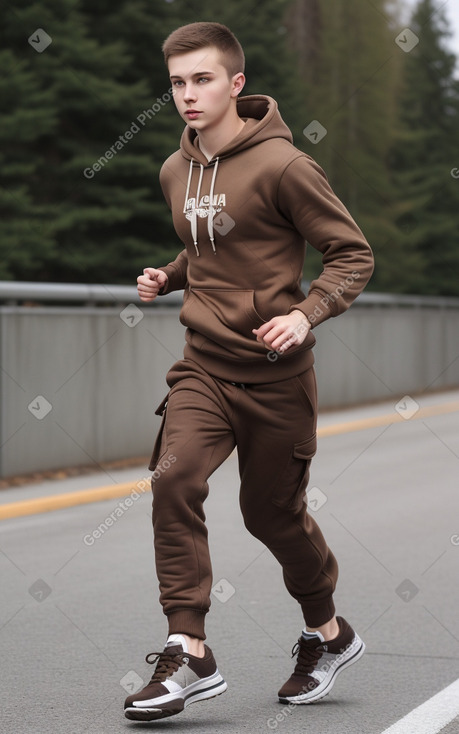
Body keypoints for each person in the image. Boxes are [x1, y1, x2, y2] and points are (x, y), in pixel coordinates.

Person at [124, 21, 374, 722]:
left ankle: (327, 635)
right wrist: (169, 276)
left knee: (271, 516)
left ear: (235, 83)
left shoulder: (285, 167)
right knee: (172, 478)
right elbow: (206, 248)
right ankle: (189, 650)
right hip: (202, 367)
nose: (186, 95)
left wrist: (306, 313)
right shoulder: (175, 169)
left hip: (275, 376)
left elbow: (351, 255)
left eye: (201, 79)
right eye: (176, 82)